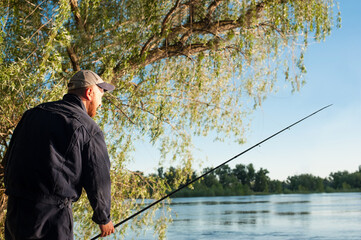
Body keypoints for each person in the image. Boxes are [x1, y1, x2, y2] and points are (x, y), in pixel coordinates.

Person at [4, 70, 115, 239]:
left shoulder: (31, 114)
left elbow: (7, 161)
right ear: (89, 92)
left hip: (15, 214)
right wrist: (103, 218)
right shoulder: (88, 128)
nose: (101, 104)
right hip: (51, 221)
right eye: (101, 95)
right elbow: (98, 178)